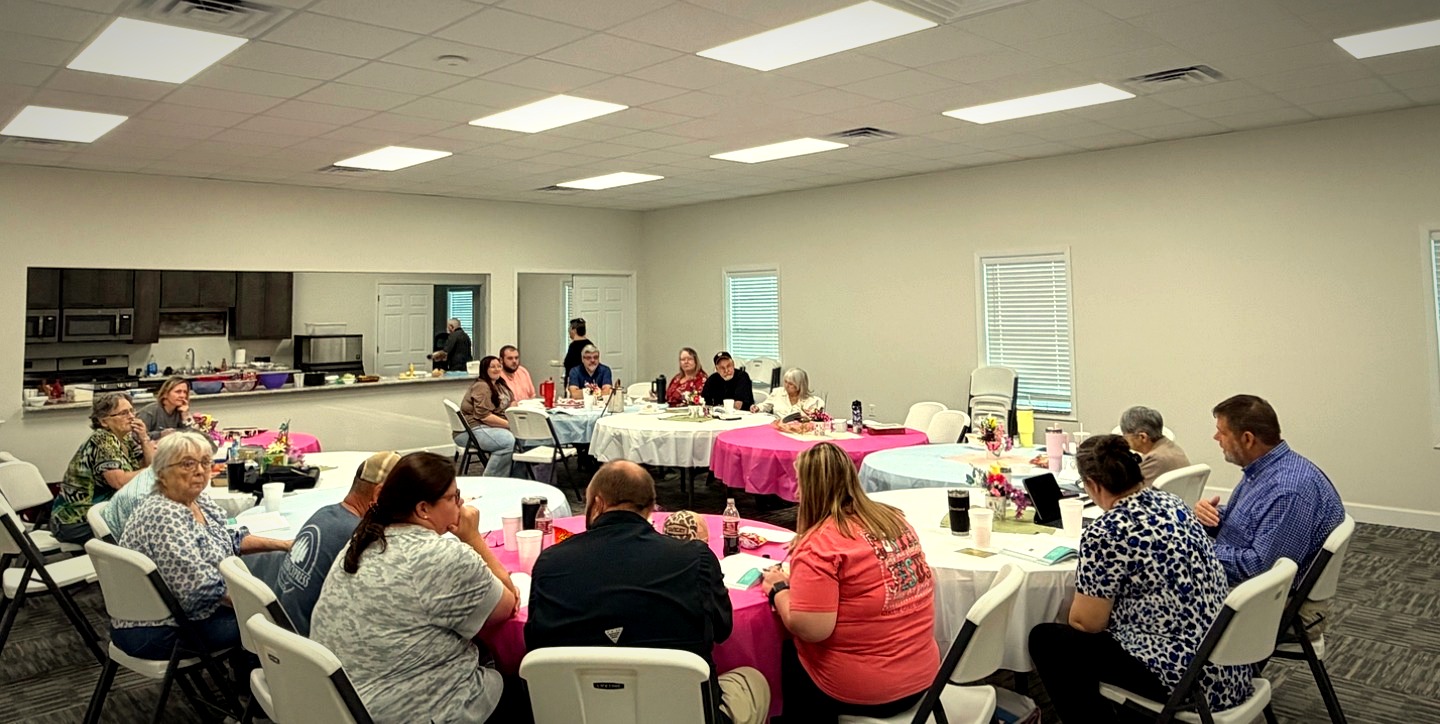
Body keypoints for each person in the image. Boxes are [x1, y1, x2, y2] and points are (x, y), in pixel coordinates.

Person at [1029, 435, 1253, 721]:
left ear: (1094, 486)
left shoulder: (1107, 532)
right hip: (1226, 662)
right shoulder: (1173, 502)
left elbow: (1087, 623)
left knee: (1048, 641)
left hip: (1184, 676)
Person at [526, 462, 770, 724]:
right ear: (651, 508)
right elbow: (722, 630)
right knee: (752, 681)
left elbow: (534, 642)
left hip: (579, 713)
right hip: (680, 713)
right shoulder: (694, 558)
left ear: (597, 503)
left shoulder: (550, 562)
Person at [311, 452, 528, 724]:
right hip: (410, 709)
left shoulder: (365, 538)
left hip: (344, 702)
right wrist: (472, 536)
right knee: (524, 687)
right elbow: (507, 606)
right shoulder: (440, 555)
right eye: (453, 497)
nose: (460, 505)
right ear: (423, 509)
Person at [760, 442, 937, 723]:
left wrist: (778, 589)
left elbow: (811, 629)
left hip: (867, 690)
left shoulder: (820, 544)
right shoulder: (892, 520)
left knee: (787, 653)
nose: (796, 492)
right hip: (925, 678)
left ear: (809, 487)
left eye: (799, 484)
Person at [112, 431, 291, 659]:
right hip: (159, 629)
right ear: (162, 473)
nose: (199, 471)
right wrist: (268, 608)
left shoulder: (197, 500)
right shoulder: (164, 514)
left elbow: (232, 538)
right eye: (187, 464)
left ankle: (248, 671)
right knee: (278, 626)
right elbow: (200, 589)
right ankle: (258, 684)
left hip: (188, 614)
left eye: (205, 463)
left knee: (273, 597)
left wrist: (284, 545)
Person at [1196, 394, 1344, 636]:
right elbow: (1255, 523)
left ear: (1247, 439)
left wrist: (1195, 550)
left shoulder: (1288, 490)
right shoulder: (1266, 469)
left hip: (1280, 606)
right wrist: (1212, 518)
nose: (1216, 438)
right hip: (1260, 591)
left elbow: (1262, 569)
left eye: (1222, 433)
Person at [274, 451, 399, 635]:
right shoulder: (357, 536)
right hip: (309, 644)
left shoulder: (324, 513)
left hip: (282, 633)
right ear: (378, 495)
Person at [51, 392, 156, 544]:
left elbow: (147, 466)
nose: (132, 416)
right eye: (124, 413)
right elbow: (119, 482)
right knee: (143, 531)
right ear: (104, 421)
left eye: (132, 411)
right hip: (76, 520)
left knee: (148, 522)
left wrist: (144, 438)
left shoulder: (126, 438)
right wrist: (157, 470)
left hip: (104, 513)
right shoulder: (102, 439)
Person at [459, 355, 517, 477]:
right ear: (485, 369)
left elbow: (512, 400)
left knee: (523, 438)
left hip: (489, 425)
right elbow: (484, 417)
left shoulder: (499, 383)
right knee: (507, 441)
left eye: (498, 366)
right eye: (492, 367)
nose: (496, 369)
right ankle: (491, 480)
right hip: (473, 428)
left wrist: (513, 414)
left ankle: (518, 477)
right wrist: (511, 425)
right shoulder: (482, 386)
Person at [1118, 405, 1190, 485]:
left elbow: (1128, 491)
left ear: (1142, 437)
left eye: (1125, 435)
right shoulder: (1172, 448)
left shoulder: (1155, 459)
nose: (1124, 439)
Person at [752, 367, 823, 420]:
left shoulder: (812, 401)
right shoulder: (777, 392)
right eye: (785, 382)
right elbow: (765, 406)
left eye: (791, 384)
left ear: (799, 385)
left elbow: (813, 421)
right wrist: (757, 408)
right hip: (778, 428)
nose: (787, 386)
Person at [562, 317, 591, 382]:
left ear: (574, 330)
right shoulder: (590, 345)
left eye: (570, 328)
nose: (569, 331)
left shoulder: (573, 347)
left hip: (576, 384)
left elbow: (568, 364)